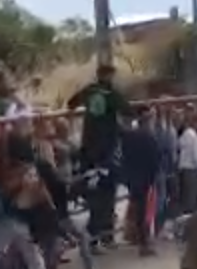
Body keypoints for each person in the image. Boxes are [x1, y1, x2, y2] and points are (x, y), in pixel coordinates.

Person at [67, 64, 132, 245]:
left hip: (88, 149)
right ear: (109, 76)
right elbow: (128, 110)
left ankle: (95, 236)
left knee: (93, 190)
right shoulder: (112, 94)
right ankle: (104, 234)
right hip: (106, 150)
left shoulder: (89, 91)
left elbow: (71, 103)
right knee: (108, 193)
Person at [120, 107, 161, 257]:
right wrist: (152, 178)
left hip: (133, 178)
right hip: (146, 180)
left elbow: (124, 157)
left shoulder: (129, 136)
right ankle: (144, 243)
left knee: (138, 210)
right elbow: (155, 160)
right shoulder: (150, 137)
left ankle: (139, 238)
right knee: (146, 211)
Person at [177, 115, 197, 213]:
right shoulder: (194, 136)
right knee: (192, 196)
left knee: (186, 195)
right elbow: (195, 154)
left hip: (183, 168)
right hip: (192, 168)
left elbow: (179, 146)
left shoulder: (184, 134)